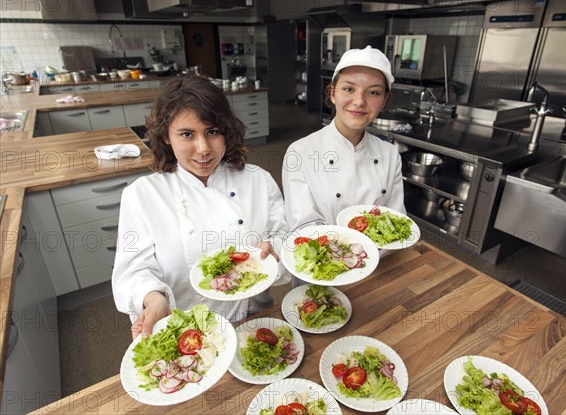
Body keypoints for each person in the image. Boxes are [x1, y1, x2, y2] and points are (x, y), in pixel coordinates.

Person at [112, 75, 287, 339]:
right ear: (167, 137)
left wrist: (274, 252)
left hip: (254, 319)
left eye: (212, 132)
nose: (203, 149)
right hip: (189, 332)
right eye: (187, 134)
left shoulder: (258, 180)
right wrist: (153, 298)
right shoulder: (143, 195)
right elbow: (133, 271)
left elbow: (285, 239)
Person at [282, 45, 406, 236]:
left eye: (373, 92)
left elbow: (395, 220)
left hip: (382, 258)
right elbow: (303, 227)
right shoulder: (300, 152)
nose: (359, 101)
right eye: (349, 89)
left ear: (384, 100)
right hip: (326, 261)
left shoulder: (389, 154)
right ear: (333, 93)